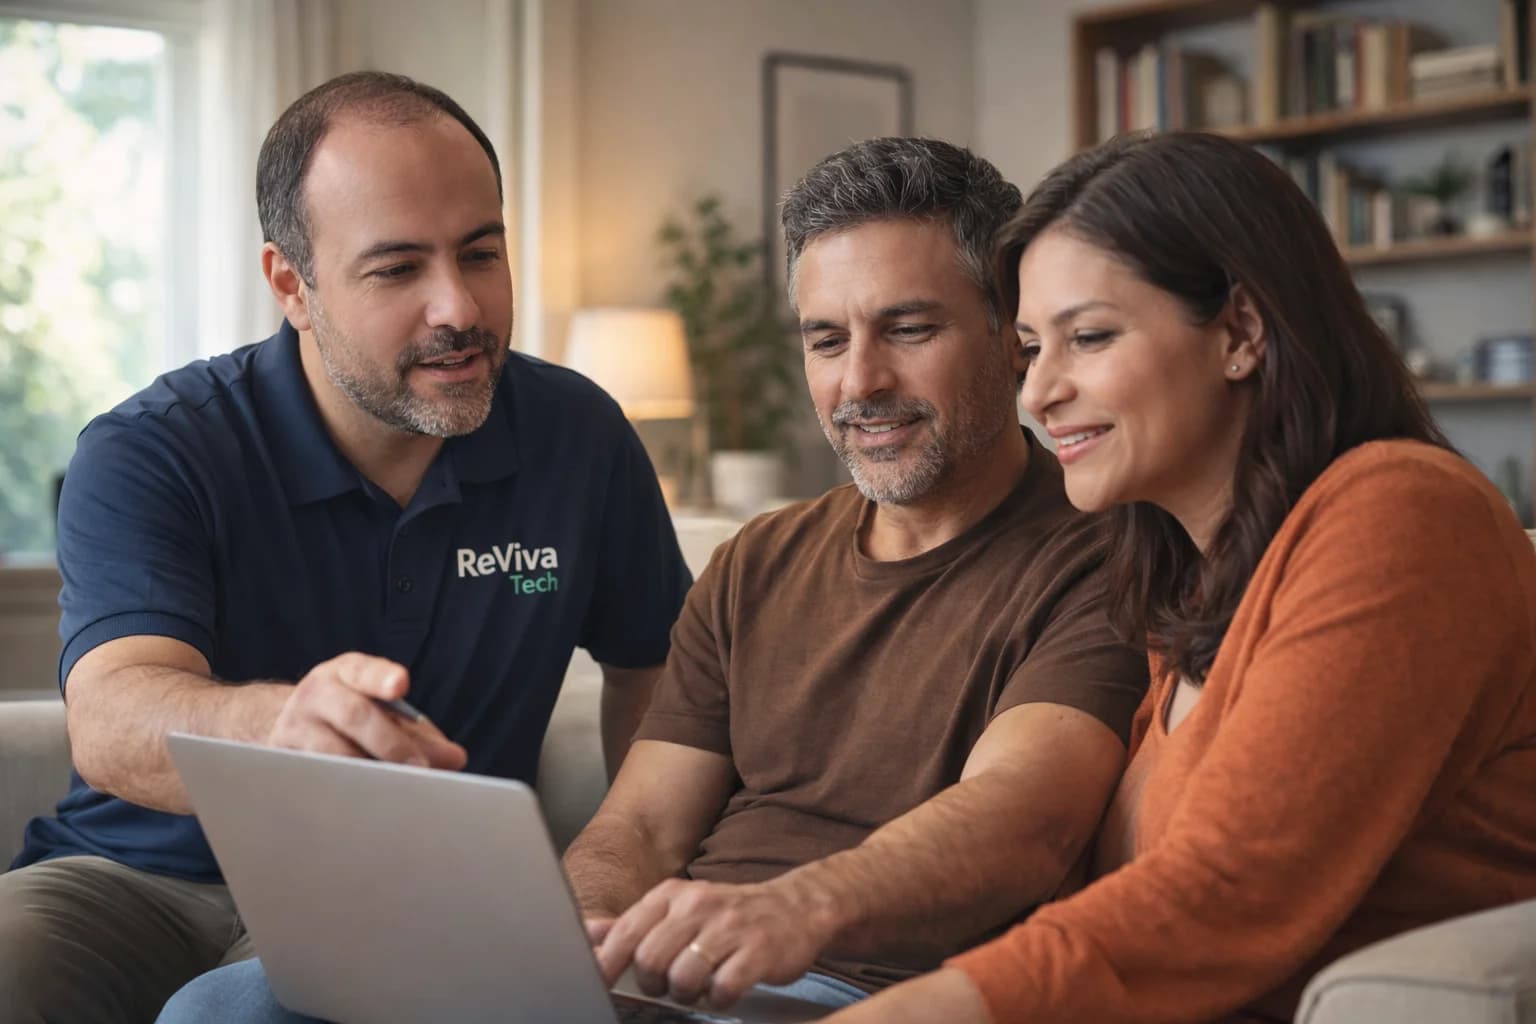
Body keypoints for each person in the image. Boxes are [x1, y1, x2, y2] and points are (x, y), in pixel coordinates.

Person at [0, 71, 690, 1024]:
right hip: (127, 878)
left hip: (404, 892)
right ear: (293, 283)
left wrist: (625, 863)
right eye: (398, 269)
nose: (458, 306)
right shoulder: (155, 447)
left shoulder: (580, 435)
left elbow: (659, 675)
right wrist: (280, 731)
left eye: (480, 253)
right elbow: (111, 714)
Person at [818, 131, 1536, 1024]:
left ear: (1239, 332)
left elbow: (1223, 894)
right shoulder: (1186, 585)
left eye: (1088, 337)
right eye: (1034, 349)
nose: (1038, 393)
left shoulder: (1404, 512)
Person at [551, 136, 1149, 1016]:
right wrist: (581, 932)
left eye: (909, 330)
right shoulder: (754, 561)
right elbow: (638, 825)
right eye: (827, 340)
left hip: (863, 998)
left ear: (1012, 337)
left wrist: (788, 910)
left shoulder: (1106, 551)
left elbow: (1023, 819)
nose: (860, 381)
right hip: (671, 991)